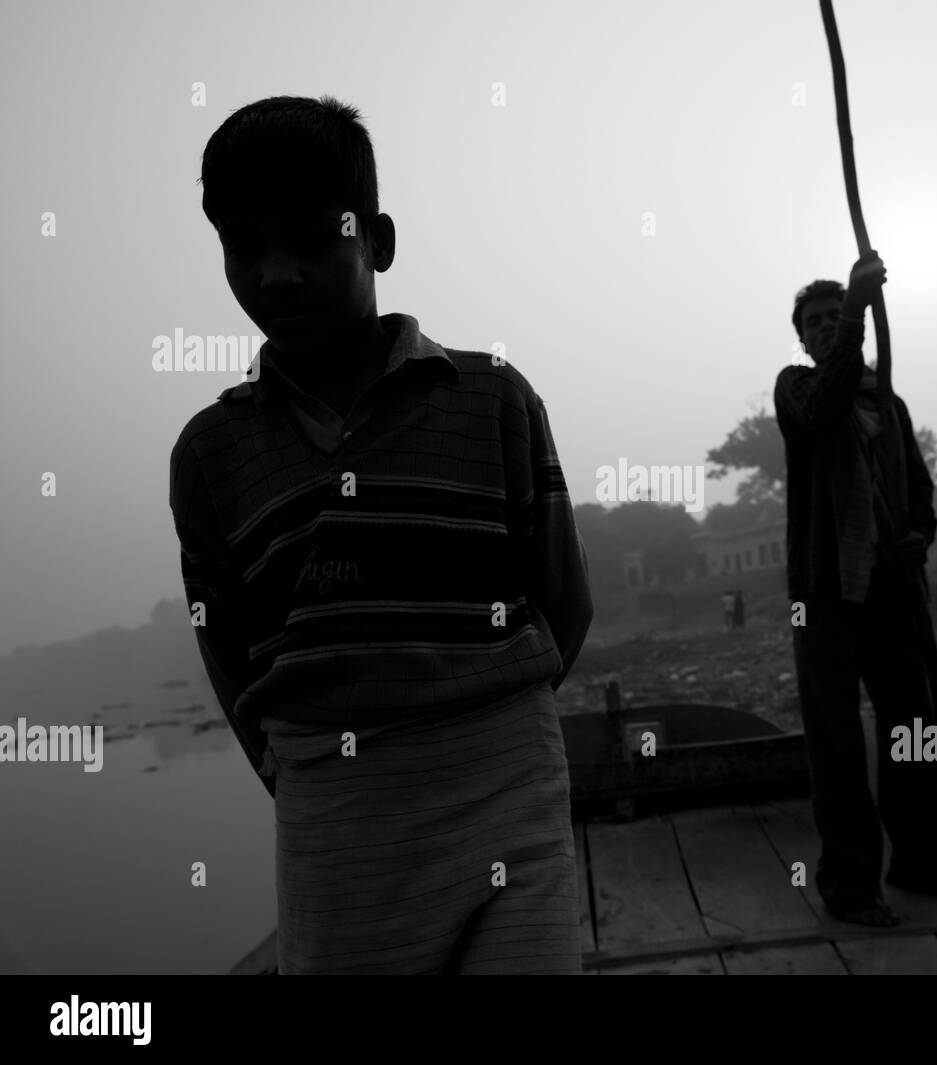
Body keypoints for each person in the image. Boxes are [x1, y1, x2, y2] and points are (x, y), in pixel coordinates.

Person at [169, 96, 593, 974]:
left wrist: (489, 723)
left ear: (380, 241)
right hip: (335, 821)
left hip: (505, 783)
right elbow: (231, 648)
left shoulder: (495, 401)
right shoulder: (211, 453)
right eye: (245, 249)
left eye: (313, 239)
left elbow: (562, 604)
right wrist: (307, 773)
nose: (277, 274)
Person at [774, 252, 937, 927]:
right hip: (826, 591)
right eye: (816, 322)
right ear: (802, 338)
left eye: (837, 315)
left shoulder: (888, 402)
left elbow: (916, 488)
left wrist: (920, 530)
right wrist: (861, 309)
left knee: (914, 728)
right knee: (837, 741)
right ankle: (851, 888)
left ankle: (921, 860)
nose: (827, 327)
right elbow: (828, 408)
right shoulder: (797, 388)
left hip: (892, 587)